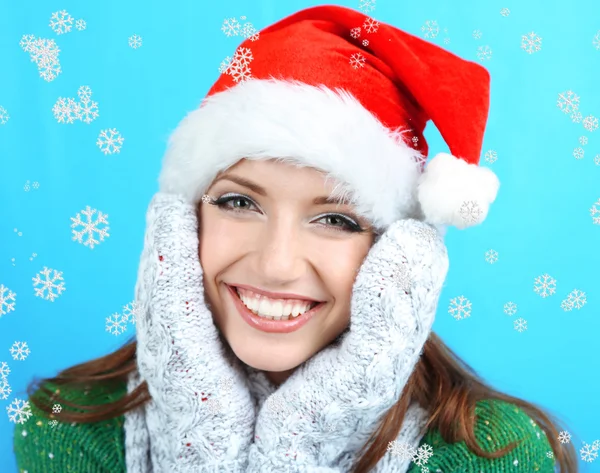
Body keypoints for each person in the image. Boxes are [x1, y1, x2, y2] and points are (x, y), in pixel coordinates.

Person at [13, 4, 578, 473]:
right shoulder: (68, 427)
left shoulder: (490, 454)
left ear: (400, 257)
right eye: (239, 203)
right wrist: (200, 426)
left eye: (337, 220)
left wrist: (301, 439)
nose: (277, 264)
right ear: (179, 226)